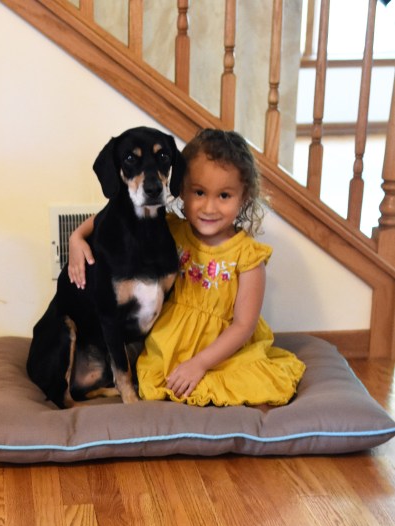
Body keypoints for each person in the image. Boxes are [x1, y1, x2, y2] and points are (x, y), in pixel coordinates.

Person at [69, 128, 306, 406]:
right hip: (171, 348)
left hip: (220, 352)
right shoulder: (172, 229)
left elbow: (243, 326)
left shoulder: (248, 257)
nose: (209, 207)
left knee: (248, 386)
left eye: (224, 196)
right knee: (159, 384)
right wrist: (76, 237)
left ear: (244, 198)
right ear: (181, 188)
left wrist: (200, 363)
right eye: (199, 192)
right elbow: (111, 215)